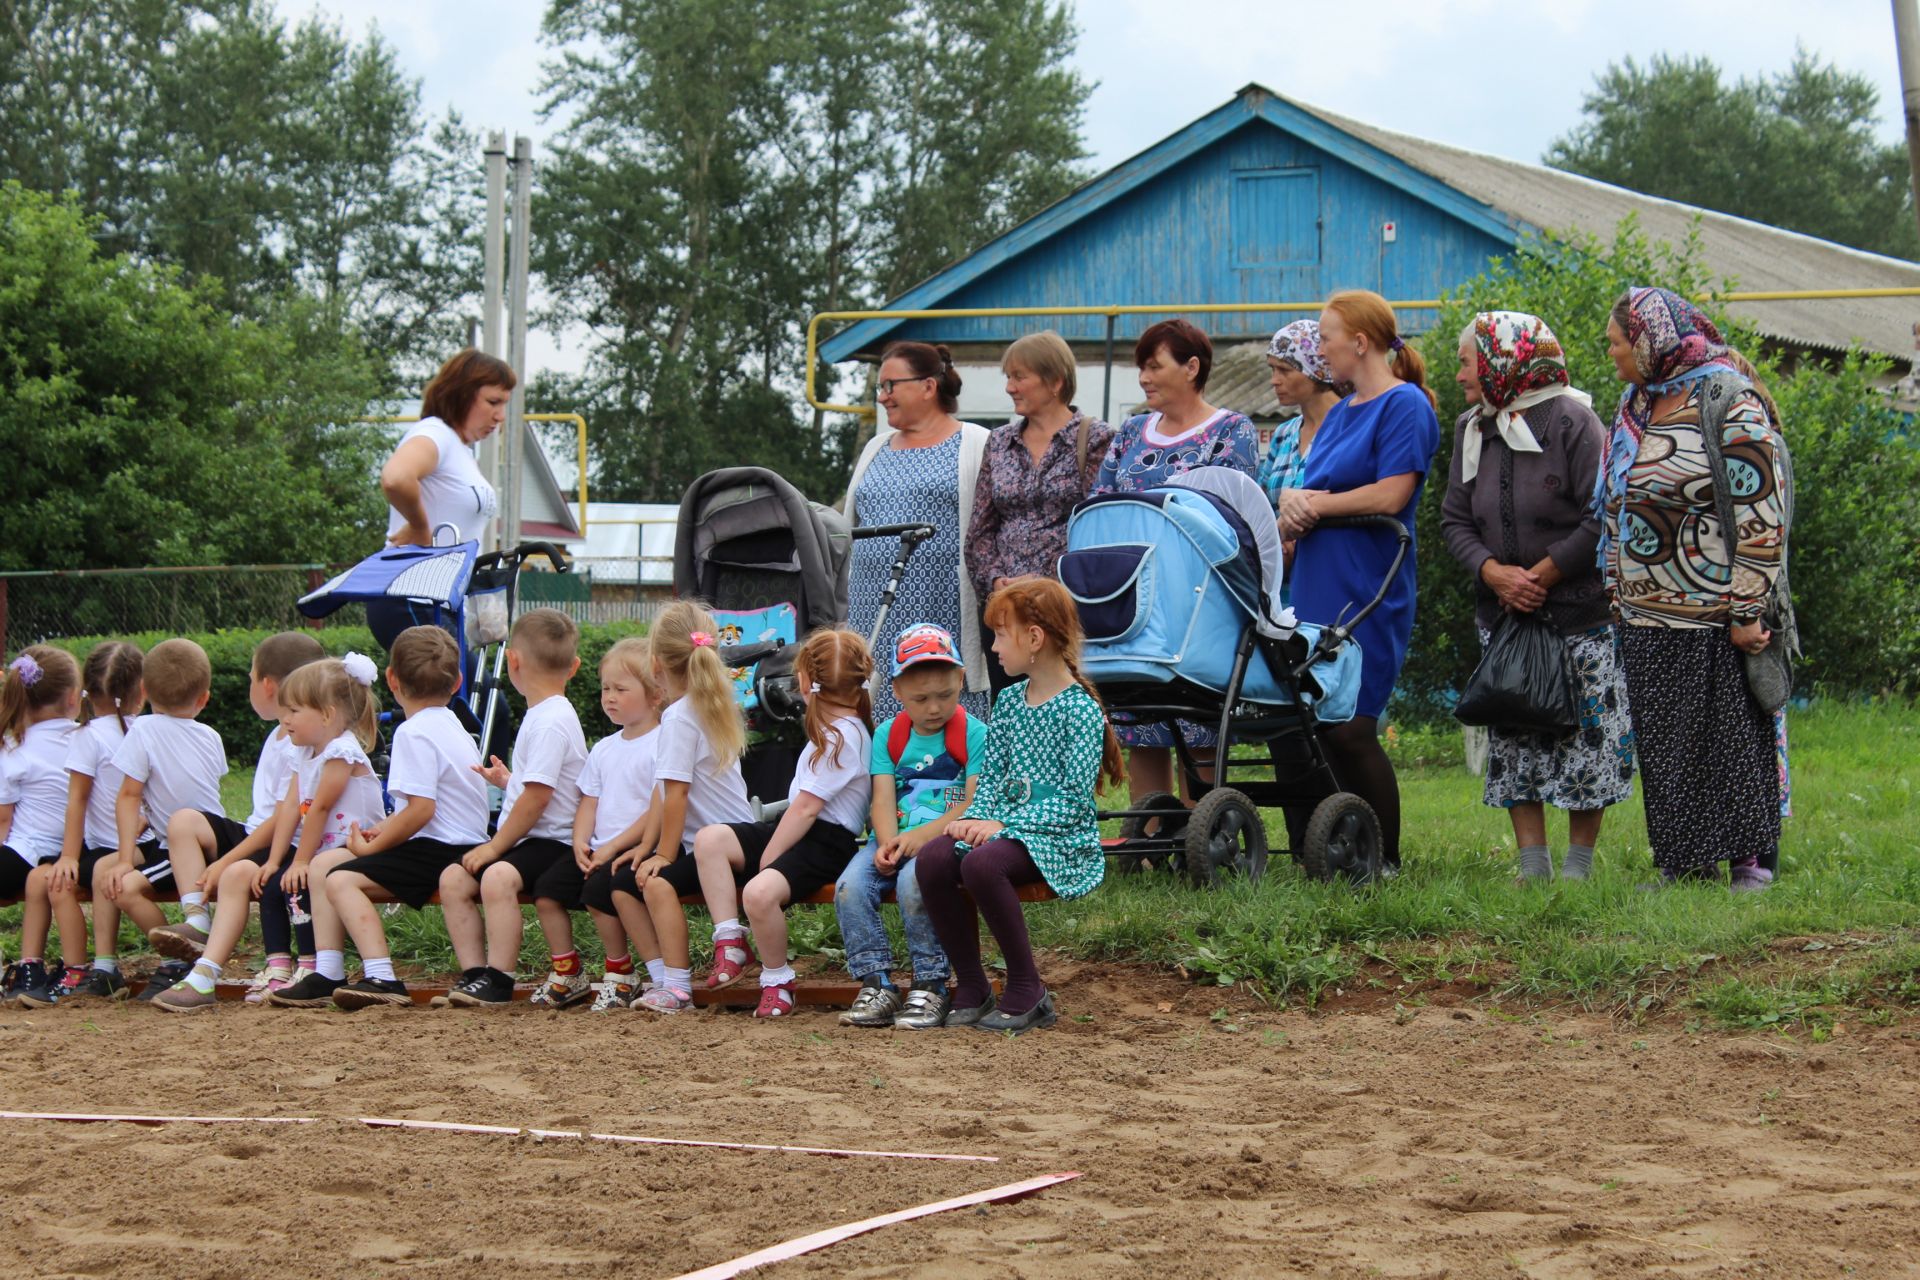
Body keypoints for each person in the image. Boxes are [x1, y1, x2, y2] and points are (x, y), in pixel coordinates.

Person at [1596, 287, 1787, 889]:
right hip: (1645, 613)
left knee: (1728, 737)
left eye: (1618, 343)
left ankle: (1749, 863)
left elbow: (1762, 506)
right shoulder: (1636, 405)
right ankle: (1685, 862)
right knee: (1668, 745)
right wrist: (1614, 586)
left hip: (1717, 610)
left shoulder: (1727, 399)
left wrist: (1748, 606)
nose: (1612, 355)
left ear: (1652, 342)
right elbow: (1612, 502)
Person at [1440, 311, 1634, 882]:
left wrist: (1543, 574)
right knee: (1514, 728)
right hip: (1502, 614)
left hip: (1578, 616)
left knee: (1585, 734)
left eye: (1467, 362)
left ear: (1507, 361)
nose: (1459, 376)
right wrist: (1494, 573)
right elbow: (1455, 518)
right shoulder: (1472, 428)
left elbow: (1604, 513)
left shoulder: (1574, 421)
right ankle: (1532, 865)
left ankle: (1578, 866)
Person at [915, 578, 1124, 1034]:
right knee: (933, 858)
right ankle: (971, 985)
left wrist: (1002, 825)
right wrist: (972, 820)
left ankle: (1028, 988)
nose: (993, 646)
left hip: (1059, 837)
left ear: (1034, 638)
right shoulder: (1009, 702)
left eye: (1000, 635)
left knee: (983, 866)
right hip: (1004, 827)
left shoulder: (1080, 710)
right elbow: (991, 778)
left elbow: (1072, 801)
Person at [1278, 290, 1441, 874]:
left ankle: (1385, 858)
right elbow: (1316, 488)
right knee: (1316, 724)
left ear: (1361, 342)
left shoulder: (1405, 406)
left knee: (1353, 725)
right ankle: (1334, 852)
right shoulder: (1343, 410)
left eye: (1325, 337)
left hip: (1370, 584)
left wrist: (1315, 505)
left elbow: (1392, 494)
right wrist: (1291, 504)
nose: (1319, 349)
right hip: (1319, 581)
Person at [268, 627, 489, 1007]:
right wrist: (378, 833)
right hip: (456, 841)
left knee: (340, 881)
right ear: (457, 683)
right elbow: (417, 809)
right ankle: (328, 970)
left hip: (438, 848)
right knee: (323, 866)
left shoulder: (412, 732)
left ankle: (382, 977)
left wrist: (376, 846)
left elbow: (422, 811)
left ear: (392, 679)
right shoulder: (455, 725)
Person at [152, 655, 385, 1012]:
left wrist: (300, 861)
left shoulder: (342, 751)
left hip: (349, 848)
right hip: (317, 847)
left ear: (327, 714)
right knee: (240, 874)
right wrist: (274, 861)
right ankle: (207, 974)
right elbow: (290, 809)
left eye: (293, 711)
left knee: (297, 878)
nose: (285, 719)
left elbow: (319, 809)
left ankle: (311, 968)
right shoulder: (303, 752)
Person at [1090, 318, 1259, 802]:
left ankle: (1200, 837)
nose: (1143, 377)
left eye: (1154, 365)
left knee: (1198, 719)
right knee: (1139, 719)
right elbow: (1103, 505)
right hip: (1133, 599)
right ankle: (1151, 838)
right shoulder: (1130, 432)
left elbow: (1232, 517)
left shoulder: (1231, 430)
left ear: (1191, 367)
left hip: (1199, 599)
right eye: (1140, 366)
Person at [684, 628, 874, 1018]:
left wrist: (766, 861)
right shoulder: (830, 729)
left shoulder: (844, 737)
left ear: (804, 681)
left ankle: (777, 980)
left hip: (826, 842)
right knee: (711, 841)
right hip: (799, 830)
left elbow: (806, 811)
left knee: (758, 893)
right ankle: (730, 940)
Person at [144, 631, 327, 999]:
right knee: (183, 821)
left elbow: (284, 818)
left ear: (268, 685)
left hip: (283, 843)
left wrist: (227, 859)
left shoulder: (297, 742)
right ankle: (197, 920)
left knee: (236, 873)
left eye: (249, 679)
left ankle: (204, 976)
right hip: (254, 834)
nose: (249, 688)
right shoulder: (278, 734)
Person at [435, 609, 589, 1009]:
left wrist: (494, 846)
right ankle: (475, 974)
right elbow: (537, 786)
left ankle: (500, 979)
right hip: (533, 837)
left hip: (552, 840)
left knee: (497, 877)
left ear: (512, 661)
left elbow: (538, 799)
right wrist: (508, 782)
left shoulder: (551, 720)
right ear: (573, 667)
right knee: (454, 879)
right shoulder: (544, 714)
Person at [835, 623, 985, 1030]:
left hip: (943, 842)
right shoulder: (888, 735)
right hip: (894, 838)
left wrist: (920, 838)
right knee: (850, 887)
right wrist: (887, 843)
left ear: (961, 679)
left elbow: (973, 804)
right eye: (920, 699)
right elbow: (881, 798)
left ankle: (931, 982)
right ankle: (876, 982)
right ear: (897, 692)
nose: (934, 708)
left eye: (945, 695)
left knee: (910, 884)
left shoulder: (974, 734)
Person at [611, 601, 753, 1016]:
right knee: (622, 883)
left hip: (722, 852)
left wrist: (664, 856)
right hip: (733, 842)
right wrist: (647, 846)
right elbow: (663, 791)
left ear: (656, 665)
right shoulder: (709, 704)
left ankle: (675, 987)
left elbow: (677, 796)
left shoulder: (679, 717)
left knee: (657, 882)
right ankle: (662, 978)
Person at [843, 341, 992, 720]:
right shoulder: (875, 448)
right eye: (880, 388)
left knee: (939, 708)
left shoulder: (975, 443)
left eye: (890, 386)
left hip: (942, 608)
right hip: (870, 608)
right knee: (872, 710)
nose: (882, 397)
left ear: (928, 387)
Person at [965, 331, 1115, 693]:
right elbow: (980, 529)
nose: (1009, 387)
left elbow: (1102, 527)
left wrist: (1045, 580)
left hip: (1065, 607)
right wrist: (997, 581)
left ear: (1055, 381)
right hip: (1006, 612)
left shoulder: (1096, 440)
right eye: (1008, 377)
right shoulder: (999, 442)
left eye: (1019, 376)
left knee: (1067, 711)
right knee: (1013, 712)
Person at [90, 639, 227, 988]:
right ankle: (177, 951)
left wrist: (124, 859)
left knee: (122, 886)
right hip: (213, 835)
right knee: (115, 876)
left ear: (145, 690)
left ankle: (180, 956)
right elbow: (191, 790)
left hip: (183, 850)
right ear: (205, 698)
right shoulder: (210, 734)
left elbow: (128, 796)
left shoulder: (144, 729)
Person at [14, 642, 144, 1007]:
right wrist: (69, 858)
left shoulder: (138, 732)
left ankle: (83, 970)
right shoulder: (93, 734)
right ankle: (39, 968)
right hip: (103, 845)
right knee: (45, 877)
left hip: (126, 847)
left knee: (62, 881)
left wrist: (69, 856)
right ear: (142, 690)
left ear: (85, 692)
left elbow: (80, 799)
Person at [371, 348, 517, 649]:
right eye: (493, 402)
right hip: (411, 595)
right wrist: (419, 527)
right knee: (465, 696)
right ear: (460, 394)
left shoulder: (460, 450)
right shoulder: (435, 433)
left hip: (438, 601)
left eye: (504, 405)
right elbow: (396, 478)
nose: (500, 416)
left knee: (470, 695)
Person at [570, 638, 666, 1012]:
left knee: (615, 885)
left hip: (647, 845)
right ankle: (621, 972)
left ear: (656, 695)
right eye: (605, 688)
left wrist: (613, 847)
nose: (609, 697)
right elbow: (588, 800)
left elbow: (657, 810)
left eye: (621, 689)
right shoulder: (604, 748)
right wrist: (581, 840)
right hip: (601, 849)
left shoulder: (662, 742)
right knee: (589, 890)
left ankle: (659, 974)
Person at [0, 647, 82, 1002]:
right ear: (72, 699)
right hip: (74, 850)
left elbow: (3, 820)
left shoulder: (13, 744)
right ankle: (29, 967)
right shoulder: (85, 737)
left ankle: (28, 968)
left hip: (25, 853)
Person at [1258, 320, 1349, 601]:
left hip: (1333, 578)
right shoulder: (1285, 433)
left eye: (1284, 370)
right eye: (1273, 370)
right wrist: (1274, 539)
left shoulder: (1352, 425)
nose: (1275, 380)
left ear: (1316, 369)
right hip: (1280, 586)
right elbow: (1261, 500)